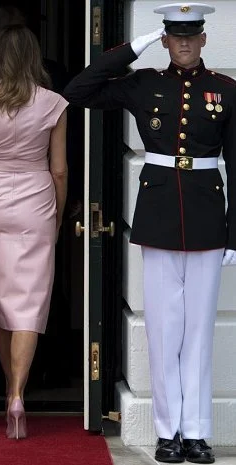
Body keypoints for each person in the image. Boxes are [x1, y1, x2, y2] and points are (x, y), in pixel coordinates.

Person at [64, 3, 233, 463]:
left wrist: (233, 234)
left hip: (205, 221)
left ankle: (196, 434)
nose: (183, 43)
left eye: (190, 35)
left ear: (202, 40)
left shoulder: (226, 91)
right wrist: (134, 47)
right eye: (174, 36)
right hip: (157, 217)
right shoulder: (144, 83)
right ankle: (167, 433)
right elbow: (78, 90)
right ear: (165, 40)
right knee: (162, 331)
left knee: (198, 333)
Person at [0, 24, 68, 439]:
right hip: (37, 200)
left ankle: (10, 389)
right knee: (30, 303)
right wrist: (56, 217)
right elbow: (59, 169)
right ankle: (18, 394)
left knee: (2, 303)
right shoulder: (54, 103)